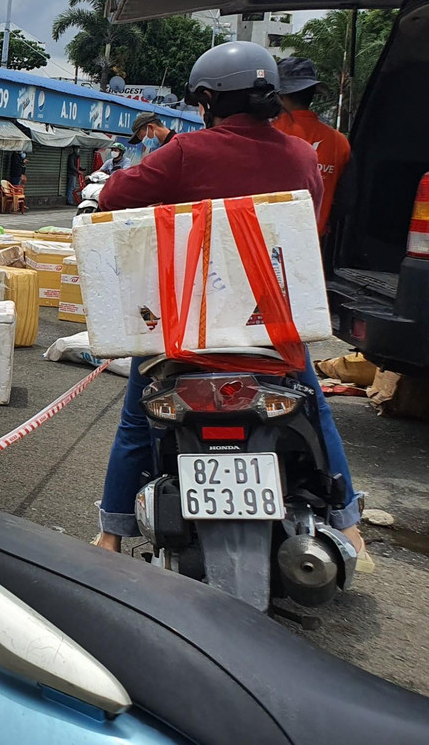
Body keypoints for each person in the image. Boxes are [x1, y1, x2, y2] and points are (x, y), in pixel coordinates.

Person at [93, 41, 365, 559]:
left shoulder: (185, 152)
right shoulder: (305, 156)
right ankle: (349, 523)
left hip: (186, 328)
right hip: (272, 327)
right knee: (318, 409)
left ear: (207, 100)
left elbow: (110, 198)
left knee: (135, 418)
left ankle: (111, 533)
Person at [274, 56, 351, 235]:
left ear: (281, 95)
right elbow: (345, 201)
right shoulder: (339, 142)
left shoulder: (267, 133)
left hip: (268, 242)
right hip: (314, 247)